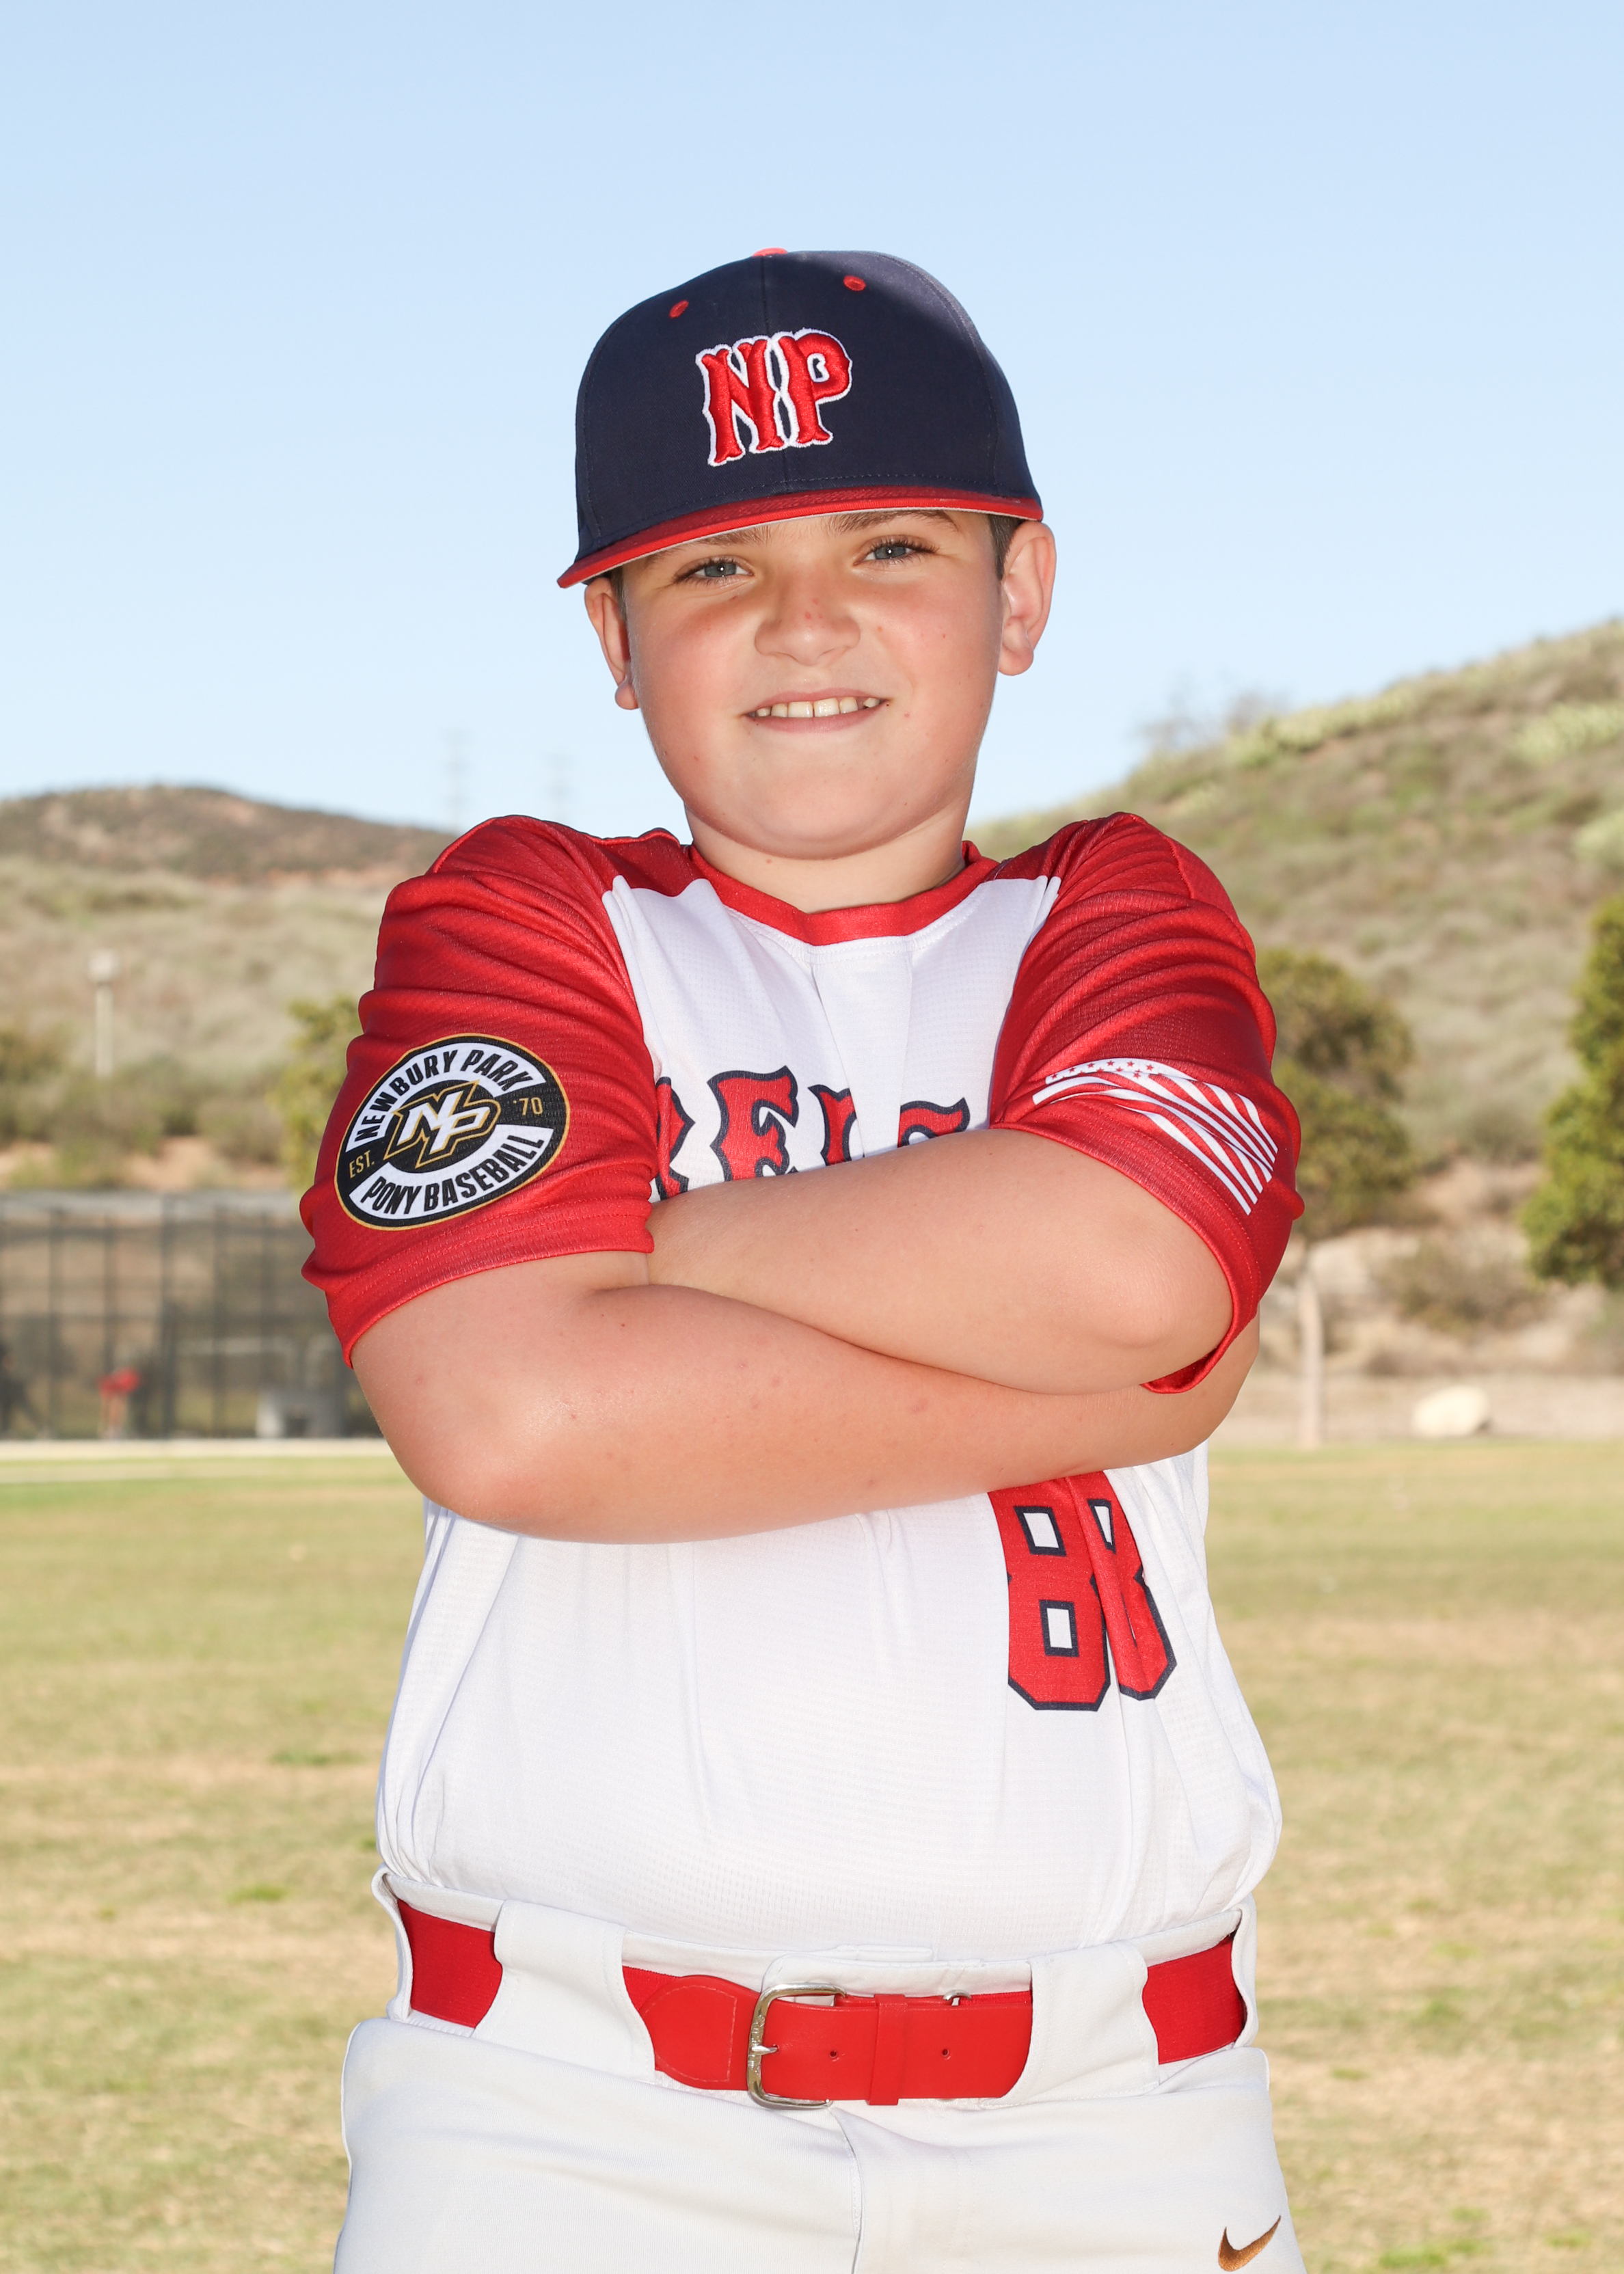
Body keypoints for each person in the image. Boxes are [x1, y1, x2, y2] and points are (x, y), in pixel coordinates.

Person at [304, 249, 1305, 2273]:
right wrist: (1113, 1396)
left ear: (1021, 592)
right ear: (614, 637)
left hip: (1115, 2121)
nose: (806, 619)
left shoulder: (1113, 910)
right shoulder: (524, 918)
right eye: (712, 566)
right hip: (568, 2122)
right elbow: (513, 1420)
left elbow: (1136, 1268)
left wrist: (623, 1259)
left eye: (892, 544)